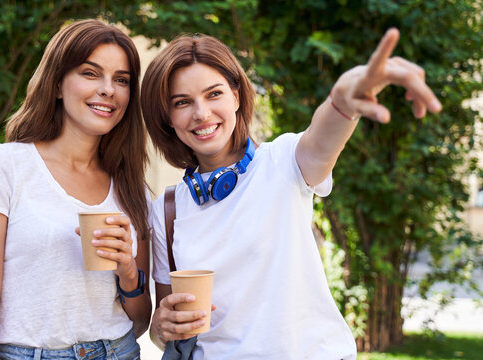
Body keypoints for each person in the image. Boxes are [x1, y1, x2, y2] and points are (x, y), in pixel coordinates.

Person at [141, 29, 441, 359]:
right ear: (167, 118)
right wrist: (161, 327)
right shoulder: (167, 209)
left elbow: (322, 140)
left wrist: (343, 101)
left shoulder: (282, 162)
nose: (201, 113)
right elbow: (166, 328)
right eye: (182, 102)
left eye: (214, 94)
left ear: (237, 96)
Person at [0, 19, 151, 359]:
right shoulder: (2, 167)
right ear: (57, 85)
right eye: (90, 73)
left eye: (122, 80)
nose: (108, 89)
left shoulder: (133, 188)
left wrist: (128, 272)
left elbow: (140, 320)